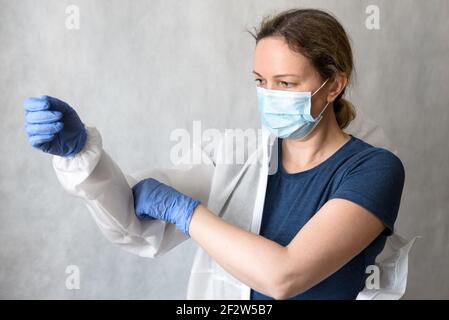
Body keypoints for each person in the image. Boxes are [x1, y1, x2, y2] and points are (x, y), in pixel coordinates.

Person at [23, 9, 414, 300]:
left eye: (286, 82)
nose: (269, 95)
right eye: (261, 82)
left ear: (334, 85)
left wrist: (187, 212)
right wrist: (83, 158)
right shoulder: (239, 159)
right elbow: (135, 221)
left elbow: (285, 276)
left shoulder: (373, 169)